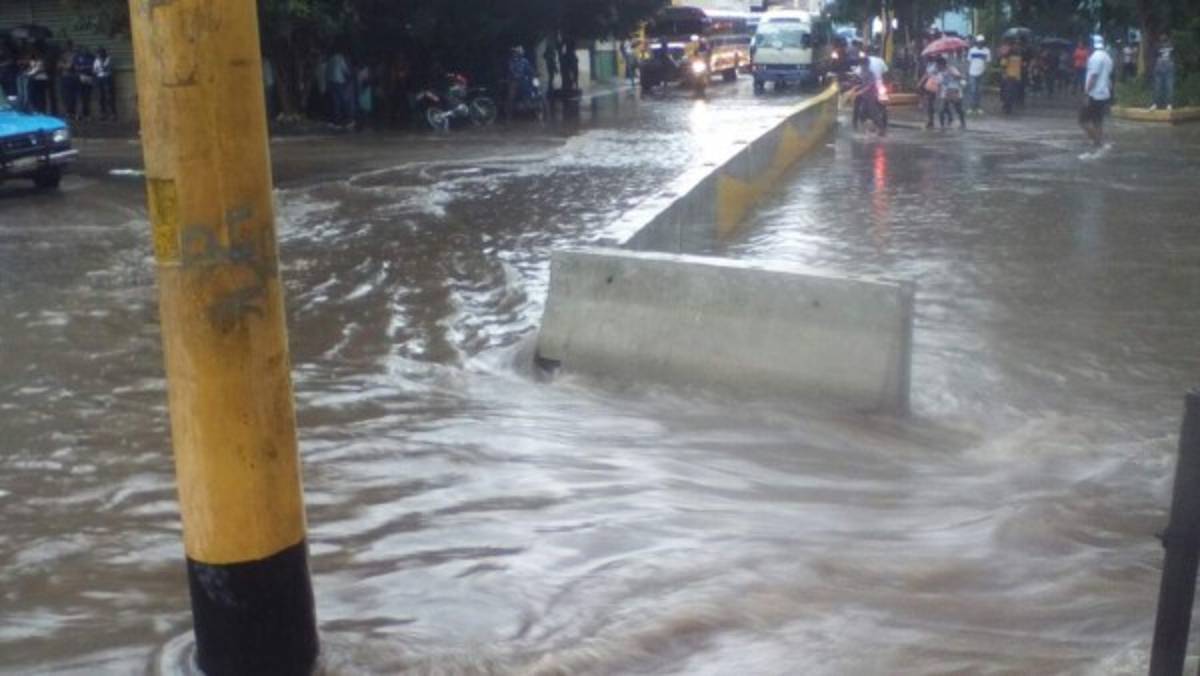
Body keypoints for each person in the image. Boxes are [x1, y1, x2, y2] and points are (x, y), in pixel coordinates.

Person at [1079, 36, 1114, 155]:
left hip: (1094, 94)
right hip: (1104, 94)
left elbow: (1093, 77)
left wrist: (1086, 93)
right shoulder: (1108, 58)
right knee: (1098, 120)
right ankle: (1099, 141)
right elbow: (1109, 78)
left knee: (1082, 121)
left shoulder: (1094, 58)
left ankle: (1097, 142)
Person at [936, 56, 965, 129]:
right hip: (945, 93)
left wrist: (952, 74)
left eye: (938, 64)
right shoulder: (939, 73)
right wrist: (938, 95)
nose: (937, 66)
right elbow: (939, 84)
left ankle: (963, 123)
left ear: (942, 64)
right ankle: (942, 126)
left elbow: (959, 77)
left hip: (955, 91)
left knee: (958, 109)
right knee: (941, 110)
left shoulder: (952, 69)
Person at [1150, 34, 1174, 112]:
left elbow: (1174, 56)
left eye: (1164, 35)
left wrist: (1172, 65)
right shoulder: (1157, 46)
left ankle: (1169, 104)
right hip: (1159, 70)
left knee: (1169, 88)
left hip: (1168, 70)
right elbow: (1153, 57)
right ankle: (1155, 104)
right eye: (1161, 36)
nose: (1163, 37)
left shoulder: (1171, 45)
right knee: (1157, 88)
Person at [966, 35, 990, 114]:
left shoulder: (987, 51)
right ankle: (971, 107)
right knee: (973, 90)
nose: (980, 43)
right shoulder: (972, 50)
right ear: (976, 42)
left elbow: (987, 62)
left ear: (983, 42)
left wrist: (986, 71)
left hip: (982, 73)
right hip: (972, 73)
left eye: (981, 42)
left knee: (979, 91)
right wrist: (967, 72)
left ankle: (978, 107)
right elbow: (969, 61)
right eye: (979, 42)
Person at [1000, 42, 1022, 114]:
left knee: (1012, 93)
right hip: (1009, 76)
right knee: (1008, 93)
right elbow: (1003, 65)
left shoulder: (1019, 56)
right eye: (1016, 47)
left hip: (1016, 77)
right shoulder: (1007, 56)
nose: (1017, 48)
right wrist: (1004, 74)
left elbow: (1019, 67)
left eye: (1018, 47)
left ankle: (1008, 106)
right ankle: (1007, 107)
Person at [94, 48, 115, 120]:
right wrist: (99, 69)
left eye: (99, 53)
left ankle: (112, 114)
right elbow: (94, 70)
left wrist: (100, 64)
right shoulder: (96, 60)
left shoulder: (108, 59)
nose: (98, 55)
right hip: (99, 78)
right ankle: (103, 114)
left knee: (109, 96)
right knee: (100, 97)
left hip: (107, 78)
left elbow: (105, 67)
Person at [58, 40, 78, 119]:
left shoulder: (74, 55)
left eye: (68, 46)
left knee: (72, 95)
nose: (66, 47)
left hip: (71, 76)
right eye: (65, 46)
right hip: (63, 76)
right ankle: (67, 111)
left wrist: (64, 65)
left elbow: (69, 66)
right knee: (64, 95)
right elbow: (59, 65)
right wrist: (64, 65)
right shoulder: (62, 55)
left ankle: (72, 111)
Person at [74, 45, 94, 120]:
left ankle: (87, 114)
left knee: (87, 97)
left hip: (89, 78)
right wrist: (84, 67)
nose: (84, 51)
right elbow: (76, 67)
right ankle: (79, 114)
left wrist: (83, 67)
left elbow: (92, 67)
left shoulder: (91, 57)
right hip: (80, 77)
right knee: (79, 97)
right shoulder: (77, 57)